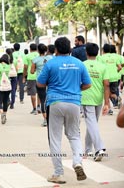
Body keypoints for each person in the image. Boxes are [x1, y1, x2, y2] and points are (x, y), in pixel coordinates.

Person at [37, 37, 91, 184]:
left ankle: (58, 173)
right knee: (74, 135)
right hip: (74, 102)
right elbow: (87, 84)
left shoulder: (51, 63)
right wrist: (74, 89)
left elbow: (40, 83)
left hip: (55, 102)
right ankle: (77, 162)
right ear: (70, 48)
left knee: (55, 138)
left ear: (55, 49)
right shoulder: (79, 63)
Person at [81, 42, 109, 161]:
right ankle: (88, 150)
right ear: (97, 53)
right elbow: (106, 85)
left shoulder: (82, 65)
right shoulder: (102, 66)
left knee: (91, 123)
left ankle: (99, 148)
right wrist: (106, 103)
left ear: (86, 52)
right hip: (98, 98)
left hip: (86, 98)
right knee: (92, 123)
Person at [31, 43, 53, 127]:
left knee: (42, 99)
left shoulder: (35, 60)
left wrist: (37, 68)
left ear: (38, 50)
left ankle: (45, 119)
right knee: (51, 99)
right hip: (50, 81)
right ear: (46, 50)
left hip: (40, 82)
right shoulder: (51, 58)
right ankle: (51, 117)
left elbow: (32, 72)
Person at [97, 44, 122, 115]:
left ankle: (111, 105)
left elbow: (99, 68)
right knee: (109, 93)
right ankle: (115, 99)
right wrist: (114, 71)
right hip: (115, 78)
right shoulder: (115, 57)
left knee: (106, 93)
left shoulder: (101, 58)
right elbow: (120, 67)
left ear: (103, 50)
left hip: (106, 77)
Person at [23, 43, 40, 114]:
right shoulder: (40, 55)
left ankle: (34, 108)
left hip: (31, 76)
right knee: (39, 92)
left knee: (33, 93)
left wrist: (24, 76)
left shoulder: (27, 56)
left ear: (30, 49)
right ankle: (39, 106)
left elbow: (25, 67)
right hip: (40, 76)